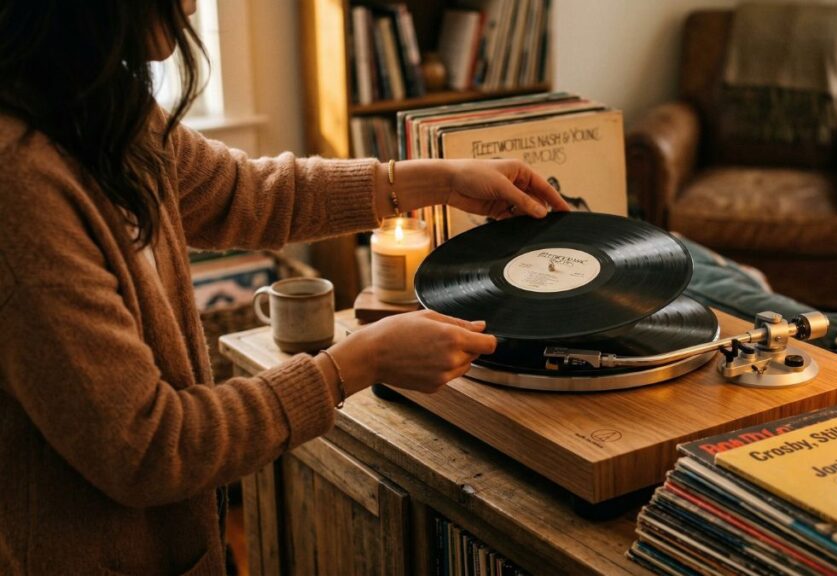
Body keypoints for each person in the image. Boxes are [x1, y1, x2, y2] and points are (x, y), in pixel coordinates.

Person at [0, 1, 569, 574]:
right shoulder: (19, 186)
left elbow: (247, 192)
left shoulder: (98, 104)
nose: (194, 5)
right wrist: (357, 362)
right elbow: (150, 447)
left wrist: (434, 180)